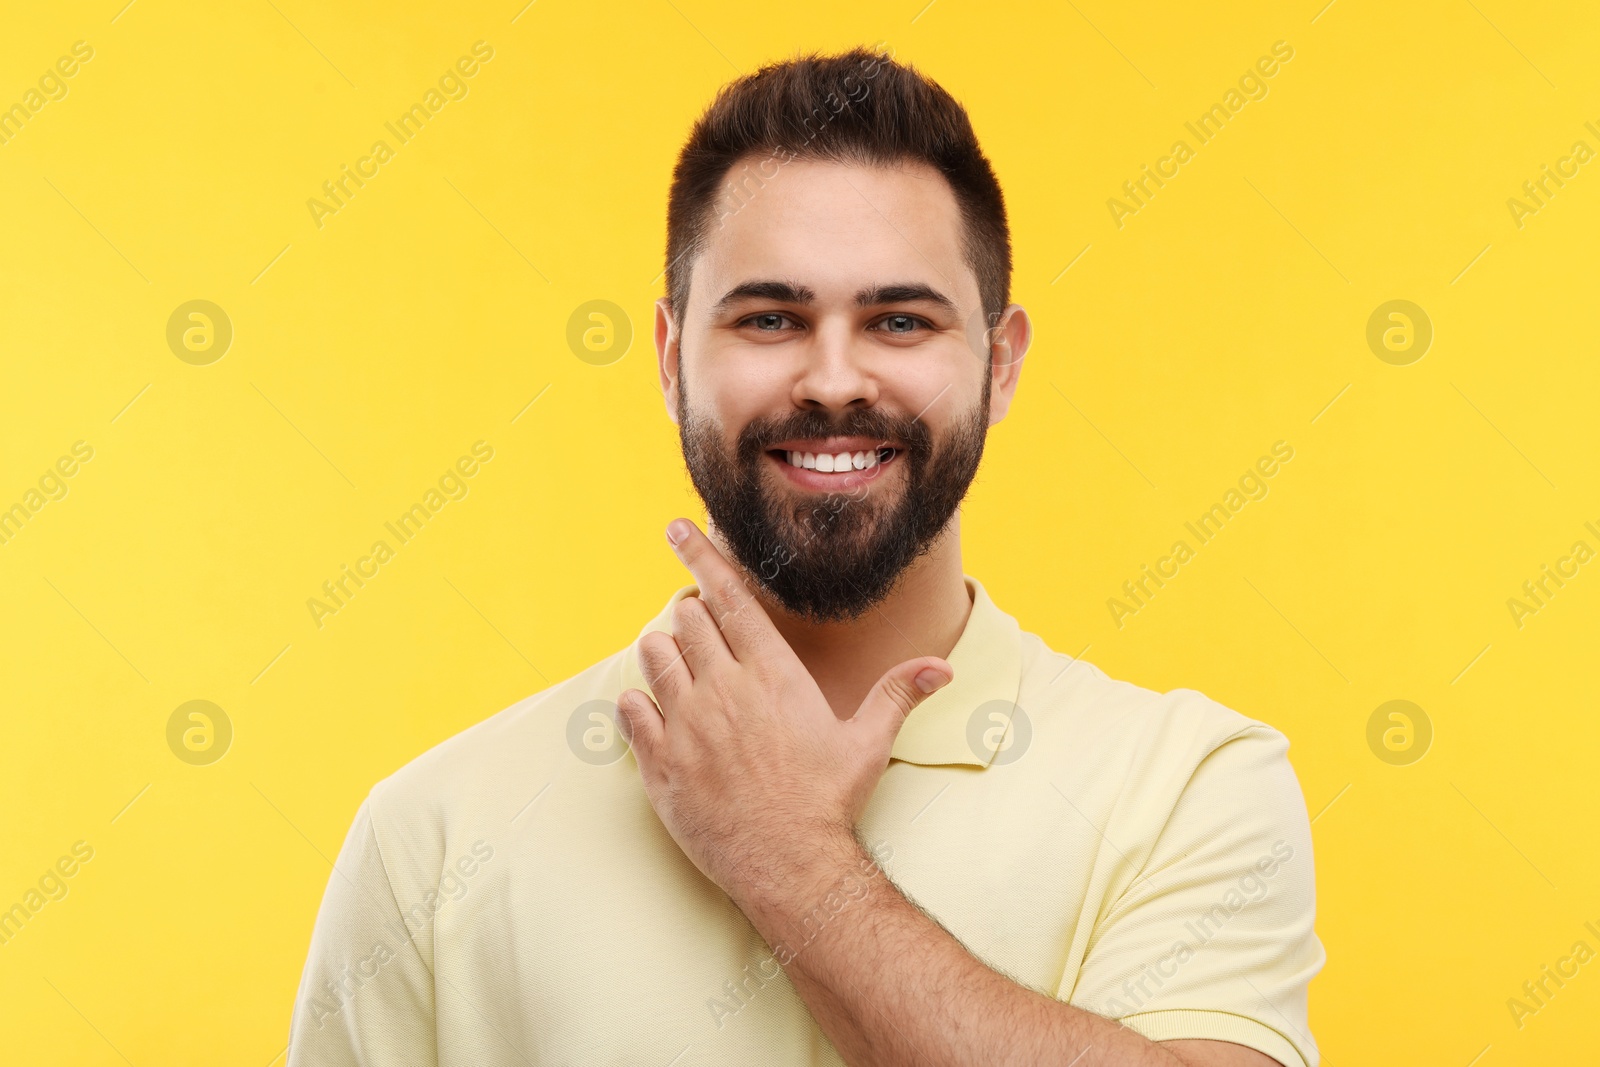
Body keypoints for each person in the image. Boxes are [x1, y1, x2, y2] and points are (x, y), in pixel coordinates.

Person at [288, 44, 1324, 1067]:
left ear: (998, 364)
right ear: (669, 358)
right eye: (771, 317)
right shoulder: (431, 833)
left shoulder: (1188, 783)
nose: (834, 380)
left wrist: (789, 858)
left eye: (900, 319)